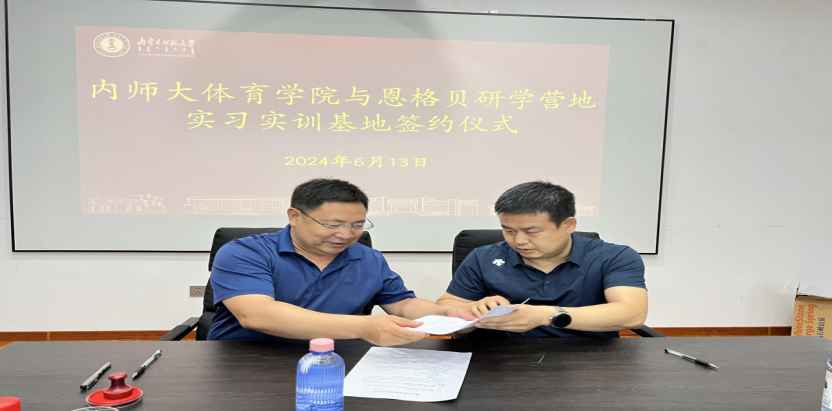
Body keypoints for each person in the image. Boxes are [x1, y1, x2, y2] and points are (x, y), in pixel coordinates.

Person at [208, 178, 473, 345]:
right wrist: (363, 327)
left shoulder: (367, 258)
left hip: (335, 358)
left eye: (357, 225)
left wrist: (446, 314)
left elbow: (403, 304)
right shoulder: (245, 252)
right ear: (294, 216)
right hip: (246, 360)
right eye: (332, 224)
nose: (346, 235)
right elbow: (256, 315)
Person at [436, 181, 647, 338]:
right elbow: (446, 309)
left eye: (532, 231)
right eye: (509, 230)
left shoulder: (614, 257)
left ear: (569, 224)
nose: (519, 241)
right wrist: (473, 310)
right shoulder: (483, 257)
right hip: (502, 361)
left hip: (591, 361)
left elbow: (632, 314)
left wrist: (544, 316)